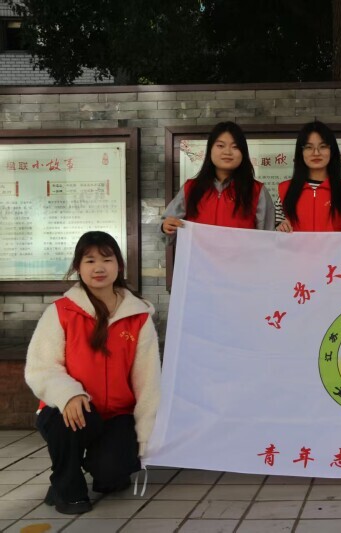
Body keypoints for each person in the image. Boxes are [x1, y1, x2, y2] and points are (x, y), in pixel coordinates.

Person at [25, 231, 161, 515]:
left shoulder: (138, 316)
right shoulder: (61, 311)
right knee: (72, 419)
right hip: (70, 409)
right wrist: (68, 394)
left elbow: (148, 381)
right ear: (78, 267)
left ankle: (99, 463)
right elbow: (41, 367)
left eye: (107, 260)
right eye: (90, 260)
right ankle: (67, 488)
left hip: (117, 414)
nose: (99, 267)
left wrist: (146, 433)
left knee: (112, 475)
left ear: (119, 266)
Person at [161, 121, 275, 235]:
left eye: (235, 147)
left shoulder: (257, 191)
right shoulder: (190, 188)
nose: (227, 152)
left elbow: (268, 237)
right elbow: (167, 224)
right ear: (210, 149)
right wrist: (165, 227)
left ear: (243, 152)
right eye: (220, 146)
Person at [275, 121, 341, 232]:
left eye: (323, 146)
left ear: (332, 151)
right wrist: (281, 227)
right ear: (301, 152)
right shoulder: (284, 189)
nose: (316, 153)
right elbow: (277, 227)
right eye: (309, 147)